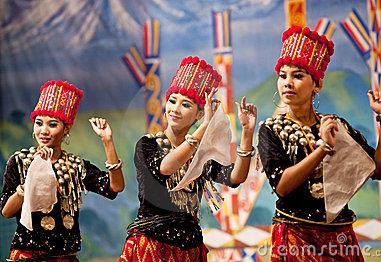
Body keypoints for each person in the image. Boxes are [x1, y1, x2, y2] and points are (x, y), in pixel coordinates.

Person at [257, 26, 381, 261]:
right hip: (295, 236)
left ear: (317, 85)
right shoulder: (271, 130)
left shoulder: (335, 126)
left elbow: (380, 171)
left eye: (298, 75)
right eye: (283, 75)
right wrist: (323, 148)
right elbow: (281, 186)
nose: (288, 82)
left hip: (339, 236)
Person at [119, 56, 257, 261]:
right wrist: (203, 129)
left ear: (199, 113)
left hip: (189, 248)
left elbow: (235, 178)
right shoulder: (147, 145)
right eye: (172, 100)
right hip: (151, 245)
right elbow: (165, 168)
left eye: (185, 104)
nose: (175, 108)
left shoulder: (201, 155)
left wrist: (247, 133)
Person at [0, 80, 125, 261]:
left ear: (66, 129)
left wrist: (107, 142)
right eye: (38, 123)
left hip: (65, 256)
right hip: (27, 255)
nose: (43, 130)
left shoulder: (74, 166)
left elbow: (115, 187)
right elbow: (6, 211)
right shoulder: (20, 161)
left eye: (52, 124)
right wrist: (32, 176)